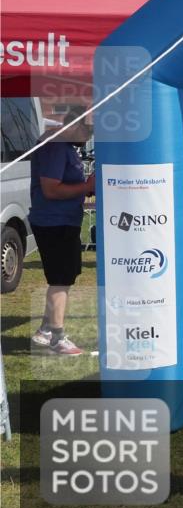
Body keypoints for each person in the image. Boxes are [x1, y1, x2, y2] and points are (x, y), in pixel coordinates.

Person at [29, 106, 96, 356]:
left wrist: (86, 191)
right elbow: (51, 189)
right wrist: (86, 186)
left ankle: (46, 330)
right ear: (74, 124)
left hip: (62, 220)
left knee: (66, 276)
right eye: (88, 129)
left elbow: (65, 186)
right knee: (60, 279)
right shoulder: (56, 147)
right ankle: (57, 337)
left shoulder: (64, 146)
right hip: (53, 222)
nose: (89, 136)